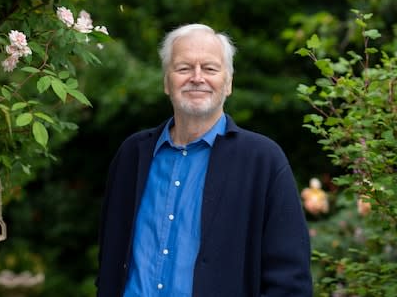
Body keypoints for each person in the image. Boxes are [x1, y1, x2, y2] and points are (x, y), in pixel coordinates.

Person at [96, 23, 312, 296]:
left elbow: (290, 282)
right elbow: (110, 262)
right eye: (183, 68)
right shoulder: (132, 155)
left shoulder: (263, 161)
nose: (197, 77)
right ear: (166, 81)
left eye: (210, 68)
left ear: (228, 83)